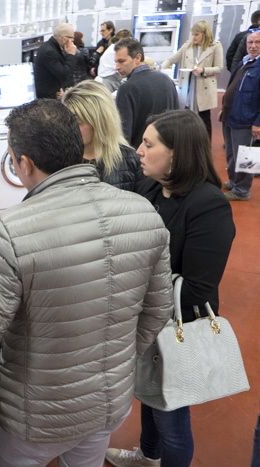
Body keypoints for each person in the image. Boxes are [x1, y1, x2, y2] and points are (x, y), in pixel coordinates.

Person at [0, 99, 174, 467]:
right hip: (107, 402)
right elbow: (158, 311)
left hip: (33, 415)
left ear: (24, 163)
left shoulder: (11, 230)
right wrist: (113, 360)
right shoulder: (143, 212)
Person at [106, 110, 235, 467]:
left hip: (178, 326)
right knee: (150, 395)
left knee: (172, 416)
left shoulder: (208, 205)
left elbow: (197, 288)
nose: (138, 151)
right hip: (149, 320)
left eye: (149, 145)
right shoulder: (150, 188)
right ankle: (149, 455)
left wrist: (134, 285)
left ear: (177, 154)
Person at [62, 80, 142, 191]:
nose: (72, 128)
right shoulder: (60, 159)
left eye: (78, 122)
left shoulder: (130, 159)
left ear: (100, 121)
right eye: (67, 122)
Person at [161, 20, 223, 139]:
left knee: (204, 118)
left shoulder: (215, 46)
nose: (193, 37)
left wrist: (203, 70)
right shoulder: (187, 45)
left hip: (204, 87)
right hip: (188, 86)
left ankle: (205, 145)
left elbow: (219, 68)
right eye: (193, 34)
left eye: (196, 34)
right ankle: (188, 142)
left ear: (204, 34)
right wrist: (161, 67)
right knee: (186, 117)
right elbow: (173, 59)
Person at [114, 38, 179, 148]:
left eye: (121, 61)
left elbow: (124, 136)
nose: (117, 67)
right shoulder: (167, 80)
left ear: (138, 58)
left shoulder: (126, 89)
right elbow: (177, 120)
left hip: (140, 153)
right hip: (167, 151)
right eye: (116, 62)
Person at [221, 30, 260, 202]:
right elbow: (233, 86)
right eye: (250, 42)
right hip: (230, 115)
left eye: (257, 42)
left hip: (247, 119)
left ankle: (242, 191)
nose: (253, 46)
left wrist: (258, 122)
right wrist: (225, 108)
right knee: (232, 153)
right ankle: (233, 181)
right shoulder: (244, 62)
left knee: (247, 156)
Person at [34, 23, 76, 98]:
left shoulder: (51, 47)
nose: (73, 41)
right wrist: (71, 55)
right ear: (64, 38)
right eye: (71, 37)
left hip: (54, 93)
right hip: (49, 98)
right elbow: (64, 74)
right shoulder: (49, 52)